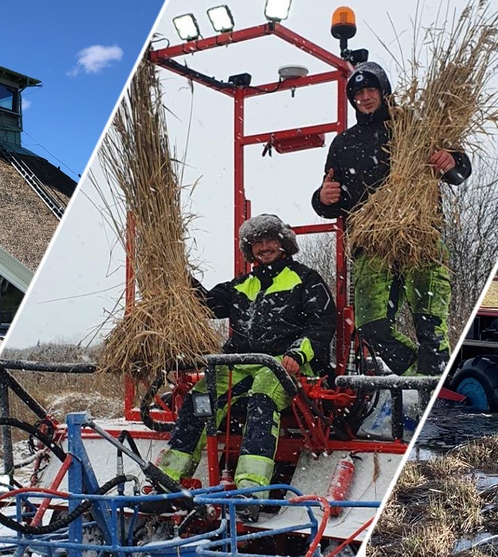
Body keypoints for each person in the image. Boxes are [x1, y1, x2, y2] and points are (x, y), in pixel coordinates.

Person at [156, 214, 336, 520]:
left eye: (270, 241)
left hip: (282, 364)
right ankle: (167, 484)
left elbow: (322, 324)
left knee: (262, 396)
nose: (264, 247)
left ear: (283, 244)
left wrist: (298, 353)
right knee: (200, 399)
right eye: (257, 243)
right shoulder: (240, 286)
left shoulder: (306, 279)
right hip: (238, 364)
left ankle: (250, 490)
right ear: (249, 249)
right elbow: (203, 304)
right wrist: (176, 275)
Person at [311, 61, 472, 376]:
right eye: (358, 93)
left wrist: (451, 160)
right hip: (371, 245)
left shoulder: (414, 127)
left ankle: (431, 383)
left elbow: (459, 169)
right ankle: (423, 379)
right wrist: (320, 198)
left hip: (421, 235)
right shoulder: (343, 143)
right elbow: (332, 201)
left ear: (384, 92)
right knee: (371, 325)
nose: (366, 97)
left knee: (431, 325)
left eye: (371, 89)